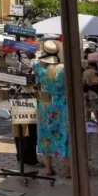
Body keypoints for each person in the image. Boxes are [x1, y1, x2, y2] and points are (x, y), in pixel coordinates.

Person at [33, 39, 70, 178]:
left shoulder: (38, 68)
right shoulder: (64, 69)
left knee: (45, 135)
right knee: (64, 135)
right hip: (61, 103)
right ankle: (69, 170)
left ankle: (49, 168)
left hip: (45, 104)